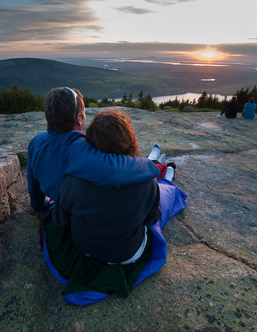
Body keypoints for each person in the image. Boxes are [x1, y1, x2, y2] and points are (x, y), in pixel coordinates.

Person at [44, 109, 187, 305]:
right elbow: (152, 220)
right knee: (164, 200)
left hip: (85, 248)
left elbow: (60, 222)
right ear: (129, 140)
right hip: (128, 254)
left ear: (90, 142)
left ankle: (163, 173)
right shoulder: (147, 184)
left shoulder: (73, 180)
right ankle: (168, 181)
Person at [27, 87, 160, 213]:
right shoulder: (81, 150)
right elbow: (116, 170)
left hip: (60, 203)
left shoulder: (36, 142)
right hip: (81, 213)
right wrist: (148, 164)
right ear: (79, 119)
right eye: (84, 113)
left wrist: (38, 205)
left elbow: (32, 181)